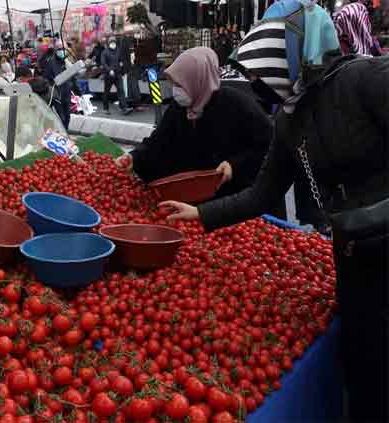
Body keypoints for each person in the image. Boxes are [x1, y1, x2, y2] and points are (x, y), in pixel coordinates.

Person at [159, 2, 388, 421]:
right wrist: (201, 213)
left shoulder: (365, 79)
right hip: (352, 250)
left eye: (264, 68)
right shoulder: (290, 118)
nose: (256, 81)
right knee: (364, 357)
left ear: (298, 52)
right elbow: (262, 194)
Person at [115, 47, 272, 200]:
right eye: (174, 84)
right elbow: (158, 142)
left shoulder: (236, 104)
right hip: (193, 196)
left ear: (198, 80)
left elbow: (266, 145)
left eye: (180, 84)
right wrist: (134, 158)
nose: (175, 90)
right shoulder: (179, 107)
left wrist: (234, 165)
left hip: (231, 200)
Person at [44, 39, 80, 130]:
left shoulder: (67, 61)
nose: (61, 51)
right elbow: (47, 77)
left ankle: (65, 133)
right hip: (57, 94)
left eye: (63, 49)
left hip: (67, 92)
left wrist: (79, 92)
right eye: (59, 49)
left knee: (67, 116)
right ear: (55, 50)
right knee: (61, 117)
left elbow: (73, 77)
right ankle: (62, 134)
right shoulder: (51, 62)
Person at [100, 37, 129, 115]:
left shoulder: (118, 51)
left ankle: (124, 108)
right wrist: (109, 70)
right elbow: (103, 63)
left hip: (118, 74)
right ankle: (105, 108)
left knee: (121, 90)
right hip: (109, 76)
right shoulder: (105, 52)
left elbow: (121, 59)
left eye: (114, 42)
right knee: (107, 92)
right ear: (108, 43)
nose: (113, 44)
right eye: (111, 42)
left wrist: (121, 65)